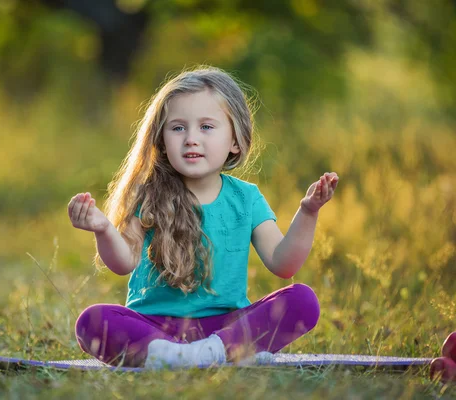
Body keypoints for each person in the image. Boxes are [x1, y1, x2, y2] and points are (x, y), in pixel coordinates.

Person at [68, 66, 339, 368]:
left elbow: (284, 263)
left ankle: (205, 354)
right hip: (156, 328)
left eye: (207, 127)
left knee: (303, 301)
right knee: (92, 321)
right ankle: (191, 355)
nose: (191, 139)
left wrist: (308, 211)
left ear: (235, 141)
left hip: (225, 329)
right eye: (178, 128)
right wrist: (103, 228)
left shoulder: (246, 198)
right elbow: (122, 263)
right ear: (161, 140)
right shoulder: (149, 195)